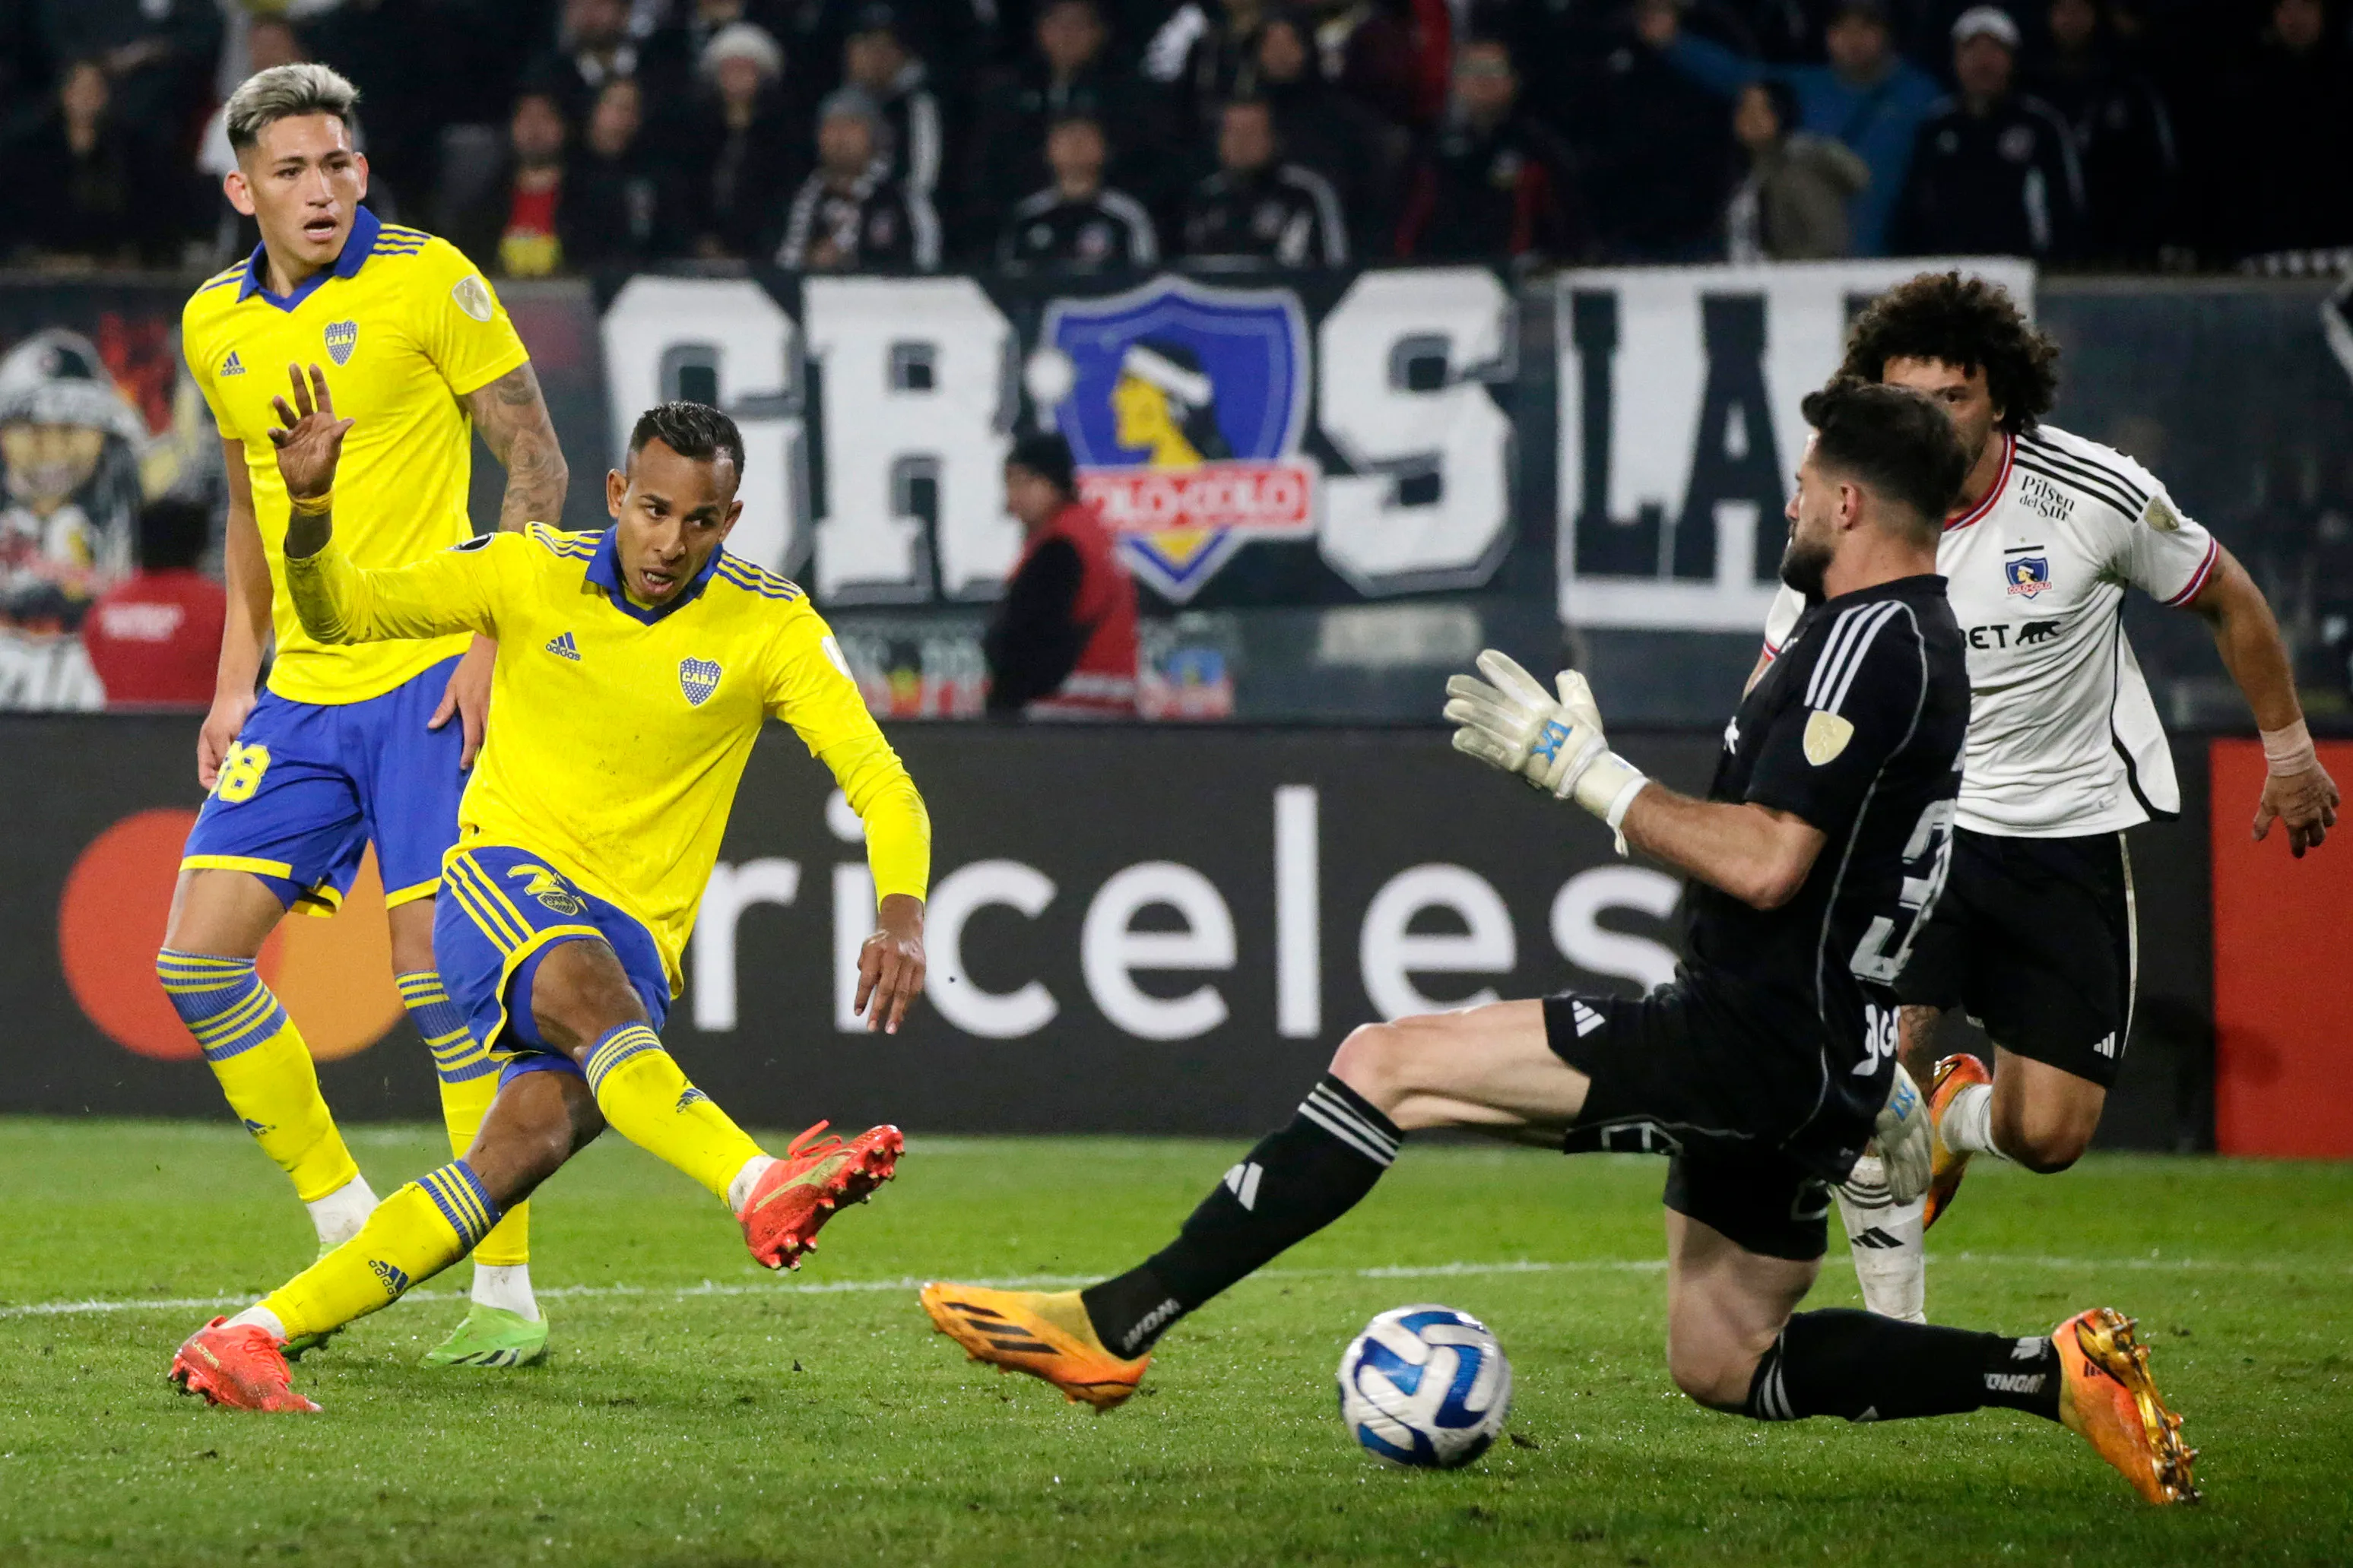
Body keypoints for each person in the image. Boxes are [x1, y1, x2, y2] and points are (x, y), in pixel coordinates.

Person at [920, 379, 2200, 1509]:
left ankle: (1110, 1320)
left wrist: (1586, 775)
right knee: (1724, 1356)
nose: (1793, 504)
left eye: (1806, 485)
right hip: (1812, 1052)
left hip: (1756, 1035)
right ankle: (2053, 1369)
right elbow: (1796, 850)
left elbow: (1770, 858)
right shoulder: (1881, 629)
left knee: (1388, 1062)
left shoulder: (1876, 641)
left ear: (1854, 500)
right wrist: (1632, 800)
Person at [170, 388, 931, 1414]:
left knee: (507, 1154)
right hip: (500, 883)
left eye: (699, 520)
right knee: (582, 990)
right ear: (617, 493)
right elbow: (339, 612)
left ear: (731, 520)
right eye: (652, 509)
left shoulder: (770, 623)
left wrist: (900, 914)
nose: (669, 540)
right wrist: (308, 515)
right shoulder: (529, 570)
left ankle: (249, 1335)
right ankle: (756, 1182)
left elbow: (879, 780)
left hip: (630, 952)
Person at [1752, 274, 2339, 1324]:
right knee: (1871, 1073)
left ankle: (1956, 1122)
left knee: (2050, 1136)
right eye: (1904, 398)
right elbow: (1776, 679)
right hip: (1911, 829)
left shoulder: (2090, 494)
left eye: (1953, 398)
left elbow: (2226, 595)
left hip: (2061, 830)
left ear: (2003, 398)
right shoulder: (1848, 510)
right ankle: (1899, 1329)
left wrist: (2287, 752)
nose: (1927, 421)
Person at [166, 63, 572, 1370]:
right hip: (302, 688)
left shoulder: (429, 277)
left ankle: (503, 1290)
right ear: (244, 189)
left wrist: (492, 638)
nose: (324, 188)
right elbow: (247, 514)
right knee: (196, 957)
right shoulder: (213, 324)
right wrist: (236, 675)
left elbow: (539, 460)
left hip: (427, 675)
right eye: (291, 170)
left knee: (440, 983)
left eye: (337, 162)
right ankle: (345, 1212)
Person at [1642, 0, 1939, 256]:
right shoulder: (1804, 87)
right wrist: (1674, 42)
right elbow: (1736, 76)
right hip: (1813, 261)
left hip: (1891, 263)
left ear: (1887, 34)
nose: (1853, 39)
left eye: (1866, 27)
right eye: (1841, 29)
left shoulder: (1921, 93)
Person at [1893, 8, 2082, 260]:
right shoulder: (1935, 126)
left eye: (1995, 50)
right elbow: (1912, 206)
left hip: (2023, 272)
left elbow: (2067, 205)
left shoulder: (2040, 124)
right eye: (1972, 49)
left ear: (2012, 59)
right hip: (1948, 275)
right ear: (1956, 59)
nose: (1983, 61)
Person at [984, 432, 1139, 717]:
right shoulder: (1094, 536)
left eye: (1021, 483)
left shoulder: (1061, 546)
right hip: (1111, 712)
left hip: (1063, 715)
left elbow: (1029, 640)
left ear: (1051, 483)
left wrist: (1001, 708)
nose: (1012, 499)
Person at [1395, 36, 1581, 263]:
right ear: (1456, 82)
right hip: (1440, 280)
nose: (1483, 80)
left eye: (1494, 70)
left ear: (1513, 81)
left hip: (1519, 279)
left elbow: (1568, 229)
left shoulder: (1540, 151)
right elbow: (1399, 229)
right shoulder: (1428, 150)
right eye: (1472, 71)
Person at [2026, 0, 2176, 265]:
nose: (2071, 20)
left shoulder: (2128, 87)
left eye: (2079, 10)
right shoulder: (2029, 90)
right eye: (2063, 10)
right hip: (2049, 252)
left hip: (2123, 250)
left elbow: (2157, 169)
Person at [775, 88, 943, 271]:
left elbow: (926, 265)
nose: (840, 137)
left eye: (852, 126)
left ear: (876, 135)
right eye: (831, 127)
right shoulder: (804, 197)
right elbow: (782, 264)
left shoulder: (902, 198)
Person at [83, 497, 227, 708]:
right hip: (196, 734)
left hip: (117, 735)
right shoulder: (218, 606)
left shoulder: (106, 607)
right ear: (199, 543)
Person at [686, 21, 809, 260]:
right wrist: (701, 241)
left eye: (745, 69)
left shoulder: (780, 136)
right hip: (700, 256)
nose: (737, 78)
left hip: (760, 256)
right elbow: (686, 193)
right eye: (729, 69)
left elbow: (781, 198)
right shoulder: (697, 133)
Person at [1180, 97, 1349, 266]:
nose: (1241, 143)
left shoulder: (1306, 193)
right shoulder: (1206, 196)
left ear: (1274, 139)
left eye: (1251, 133)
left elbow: (1337, 266)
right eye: (1232, 132)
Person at [1724, 78, 1870, 261]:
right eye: (1745, 108)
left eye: (1764, 109)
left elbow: (1828, 244)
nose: (1752, 118)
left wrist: (1781, 268)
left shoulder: (1801, 171)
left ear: (1782, 113)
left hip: (1794, 283)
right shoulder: (1743, 175)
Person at [558, 76, 690, 269]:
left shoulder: (655, 174)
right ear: (594, 109)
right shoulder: (567, 169)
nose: (624, 116)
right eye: (616, 106)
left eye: (631, 108)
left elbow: (673, 239)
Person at [997, 115, 1160, 270]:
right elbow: (1008, 281)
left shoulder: (1127, 216)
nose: (1076, 145)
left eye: (1086, 137)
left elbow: (1146, 280)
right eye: (1065, 137)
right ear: (1048, 150)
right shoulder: (1027, 217)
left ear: (1105, 149)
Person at [840, 4, 944, 204]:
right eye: (859, 46)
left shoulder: (917, 104)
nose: (863, 57)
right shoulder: (847, 104)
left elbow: (921, 183)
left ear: (897, 53)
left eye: (878, 47)